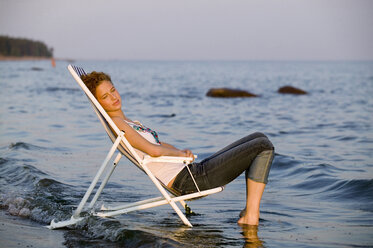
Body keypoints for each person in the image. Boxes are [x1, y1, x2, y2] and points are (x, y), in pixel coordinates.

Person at [81, 71, 274, 226]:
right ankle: (251, 215)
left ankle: (249, 212)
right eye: (105, 96)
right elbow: (153, 151)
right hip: (189, 182)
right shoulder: (118, 123)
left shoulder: (128, 122)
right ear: (99, 103)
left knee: (259, 137)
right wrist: (179, 154)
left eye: (113, 90)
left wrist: (182, 153)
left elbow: (159, 145)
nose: (113, 97)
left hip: (191, 172)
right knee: (263, 146)